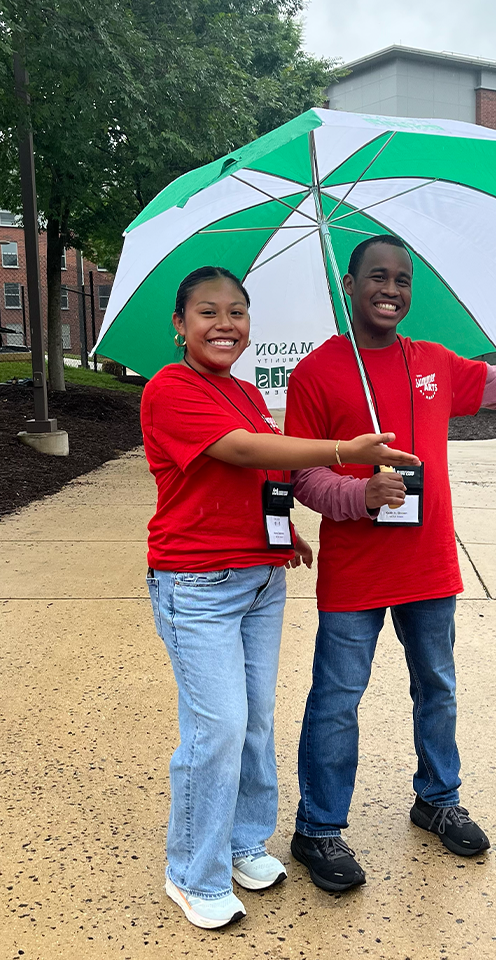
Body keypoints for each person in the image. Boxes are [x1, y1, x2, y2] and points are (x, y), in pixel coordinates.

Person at [279, 235, 496, 893]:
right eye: (377, 276)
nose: (391, 289)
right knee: (337, 699)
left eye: (402, 279)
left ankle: (436, 799)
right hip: (355, 572)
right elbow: (303, 474)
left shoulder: (431, 362)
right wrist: (359, 495)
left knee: (438, 686)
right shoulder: (316, 373)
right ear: (349, 285)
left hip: (427, 565)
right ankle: (317, 827)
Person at [140, 266, 417, 928]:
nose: (225, 324)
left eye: (237, 312)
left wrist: (282, 531)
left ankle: (242, 843)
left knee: (255, 722)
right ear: (180, 324)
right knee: (218, 728)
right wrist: (344, 448)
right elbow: (241, 450)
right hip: (197, 584)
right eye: (208, 312)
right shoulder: (170, 388)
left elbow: (265, 474)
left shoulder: (244, 392)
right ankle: (192, 873)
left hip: (260, 581)